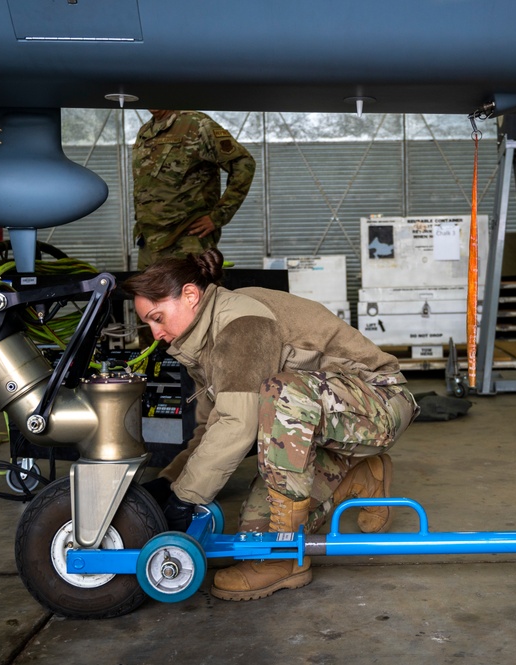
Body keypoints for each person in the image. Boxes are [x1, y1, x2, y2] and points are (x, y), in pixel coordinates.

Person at [121, 248, 419, 601]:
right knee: (254, 530)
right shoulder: (205, 341)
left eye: (158, 317)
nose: (155, 333)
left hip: (380, 401)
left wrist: (186, 498)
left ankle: (282, 557)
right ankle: (359, 476)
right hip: (328, 416)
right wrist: (170, 482)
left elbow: (239, 425)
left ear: (189, 295)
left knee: (279, 394)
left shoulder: (241, 325)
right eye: (149, 323)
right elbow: (211, 429)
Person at [132, 110, 256, 269]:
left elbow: (244, 164)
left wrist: (218, 216)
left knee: (190, 292)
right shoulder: (145, 131)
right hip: (149, 243)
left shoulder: (196, 124)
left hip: (187, 239)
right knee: (148, 293)